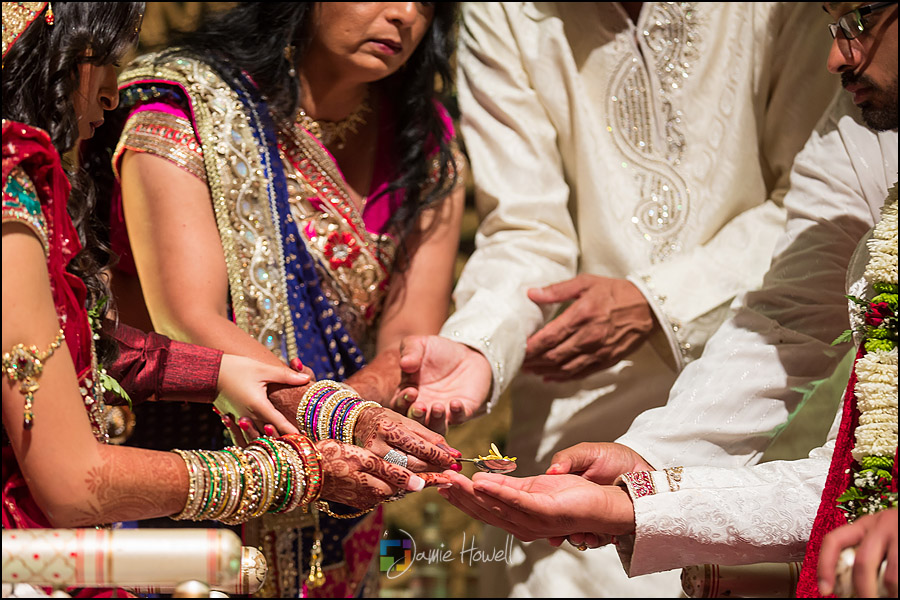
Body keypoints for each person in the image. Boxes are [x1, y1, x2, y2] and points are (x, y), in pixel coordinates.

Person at [437, 2, 898, 597]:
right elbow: (788, 310)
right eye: (835, 22)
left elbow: (848, 484)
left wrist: (659, 303)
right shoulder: (862, 115)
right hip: (607, 409)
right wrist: (646, 466)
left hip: (747, 413)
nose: (833, 54)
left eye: (857, 20)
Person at [2, 2, 450, 596]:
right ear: (37, 51)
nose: (113, 92)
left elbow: (92, 344)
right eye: (97, 58)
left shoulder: (422, 136)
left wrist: (259, 386)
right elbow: (73, 482)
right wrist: (300, 472)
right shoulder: (13, 199)